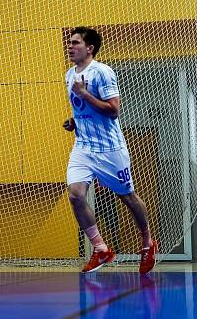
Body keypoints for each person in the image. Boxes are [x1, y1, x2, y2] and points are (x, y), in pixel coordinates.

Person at [62, 27, 157, 273]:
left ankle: (147, 241)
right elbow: (81, 107)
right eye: (69, 43)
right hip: (83, 147)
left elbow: (113, 110)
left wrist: (84, 94)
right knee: (75, 195)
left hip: (110, 149)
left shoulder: (103, 72)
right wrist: (74, 121)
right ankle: (101, 248)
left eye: (75, 43)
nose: (70, 47)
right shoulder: (69, 75)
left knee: (127, 197)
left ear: (89, 48)